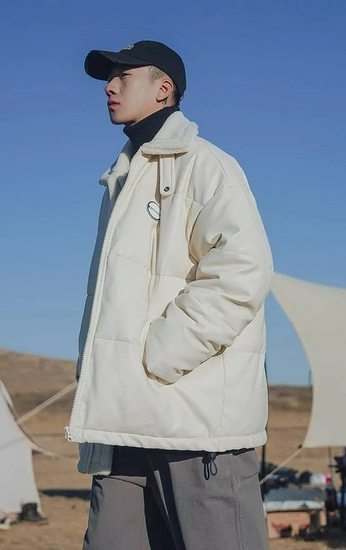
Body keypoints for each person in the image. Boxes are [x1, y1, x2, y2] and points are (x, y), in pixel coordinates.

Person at [66, 40, 273, 550]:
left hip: (192, 423)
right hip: (123, 424)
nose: (109, 87)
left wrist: (161, 355)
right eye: (107, 78)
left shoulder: (207, 165)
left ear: (164, 89)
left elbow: (243, 271)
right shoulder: (121, 177)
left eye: (123, 76)